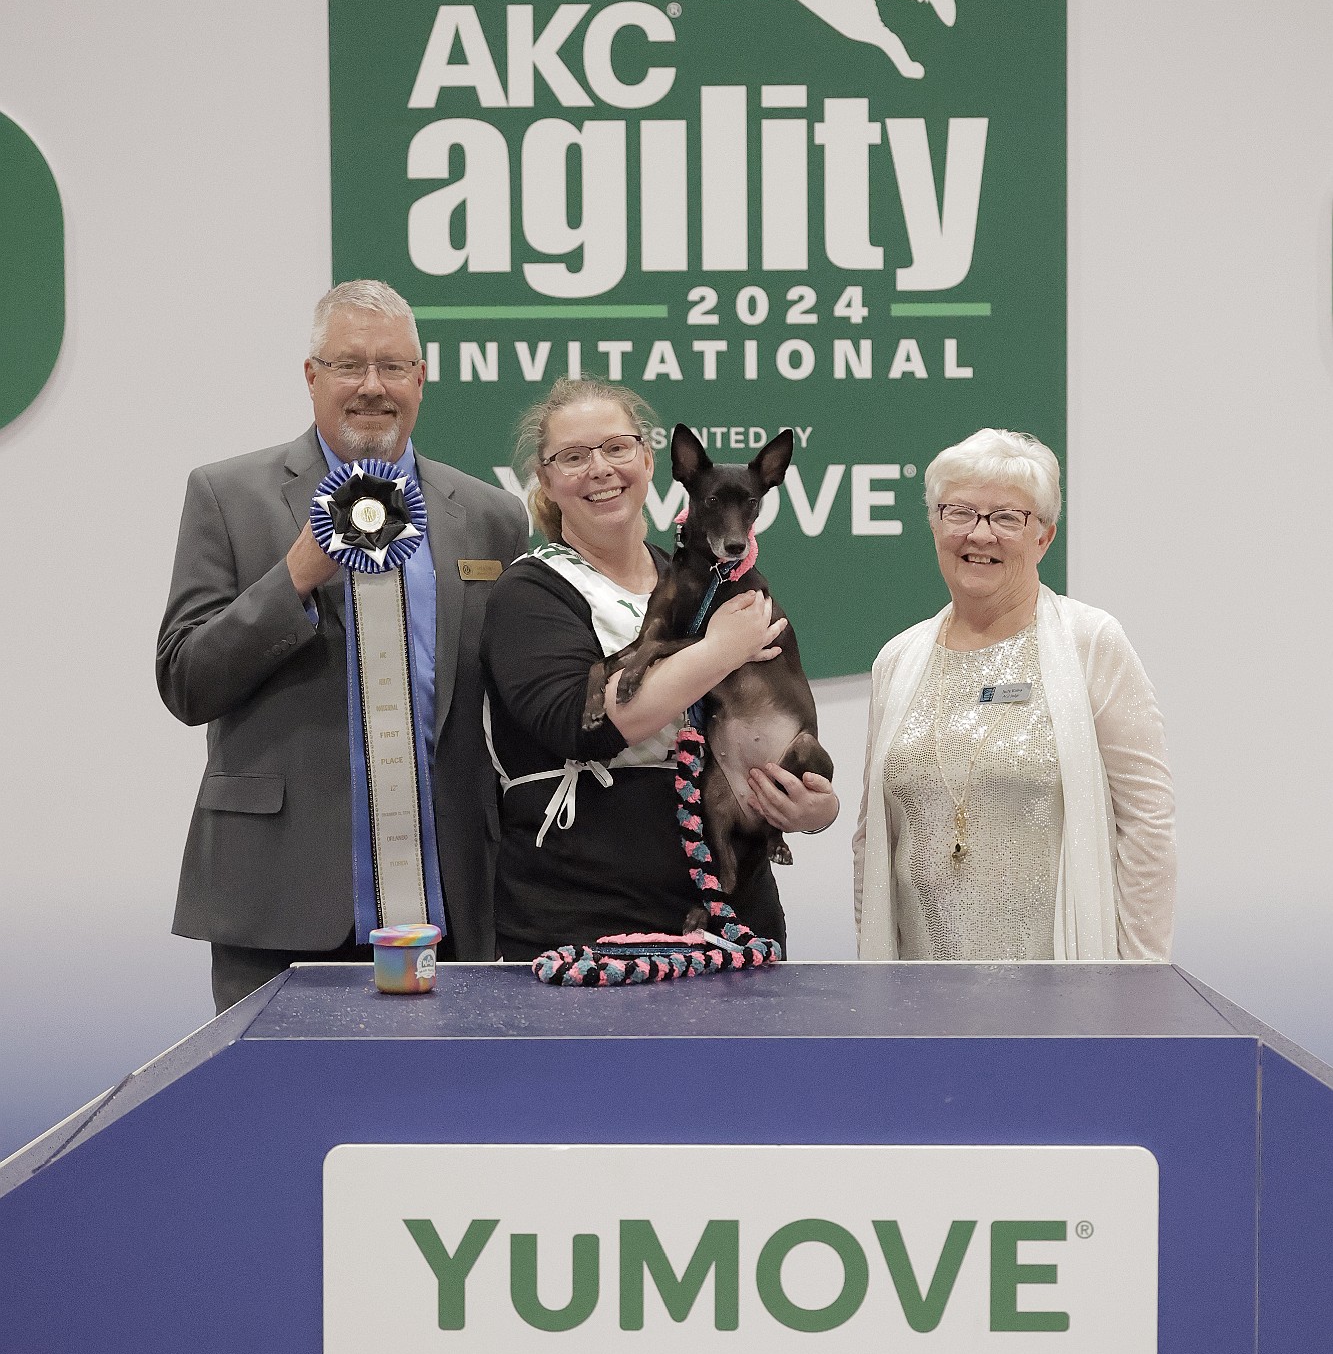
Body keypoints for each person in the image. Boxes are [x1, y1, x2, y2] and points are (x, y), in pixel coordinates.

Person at [158, 280, 529, 1010]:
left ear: (420, 377)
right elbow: (186, 680)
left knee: (443, 1088)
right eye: (349, 365)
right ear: (311, 375)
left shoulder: (491, 516)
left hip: (455, 902)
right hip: (277, 898)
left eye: (392, 366)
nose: (372, 387)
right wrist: (293, 577)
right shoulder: (227, 496)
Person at [480, 379, 839, 959]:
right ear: (545, 481)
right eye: (573, 456)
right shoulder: (531, 592)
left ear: (649, 463)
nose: (600, 468)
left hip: (730, 918)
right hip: (585, 921)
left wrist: (814, 809)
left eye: (617, 448)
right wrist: (720, 649)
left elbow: (753, 727)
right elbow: (582, 727)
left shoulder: (698, 583)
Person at [853, 428, 1175, 961]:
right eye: (960, 513)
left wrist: (1141, 981)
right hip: (919, 992)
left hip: (1063, 990)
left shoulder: (1092, 643)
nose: (980, 535)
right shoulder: (897, 660)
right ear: (935, 525)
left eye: (1006, 518)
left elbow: (1146, 824)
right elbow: (872, 840)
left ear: (1044, 537)